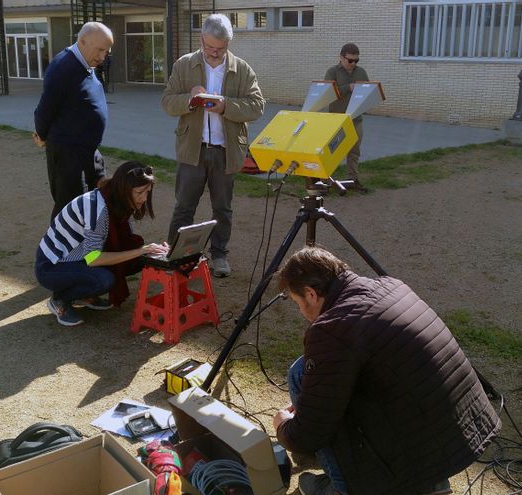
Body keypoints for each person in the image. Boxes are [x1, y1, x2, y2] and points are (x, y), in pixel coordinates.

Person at [273, 247, 501, 495]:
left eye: (298, 303)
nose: (301, 312)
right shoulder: (392, 286)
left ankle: (342, 488)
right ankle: (432, 483)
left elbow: (309, 434)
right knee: (304, 371)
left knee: (300, 376)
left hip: (418, 450)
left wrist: (284, 427)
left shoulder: (330, 329)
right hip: (459, 433)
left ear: (311, 294)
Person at [161, 13, 265, 278]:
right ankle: (176, 255)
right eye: (210, 48)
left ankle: (219, 255)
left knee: (222, 208)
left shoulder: (242, 68)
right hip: (191, 150)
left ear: (228, 44)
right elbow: (167, 102)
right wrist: (189, 98)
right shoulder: (184, 65)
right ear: (201, 40)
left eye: (221, 49)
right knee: (184, 206)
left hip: (225, 151)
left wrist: (226, 105)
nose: (215, 53)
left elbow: (257, 106)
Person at [35, 161, 168, 326]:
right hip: (51, 266)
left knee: (137, 259)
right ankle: (60, 299)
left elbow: (121, 244)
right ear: (123, 189)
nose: (144, 198)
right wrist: (141, 251)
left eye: (148, 192)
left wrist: (149, 251)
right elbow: (93, 259)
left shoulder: (114, 199)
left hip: (78, 257)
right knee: (104, 280)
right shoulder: (99, 209)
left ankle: (83, 293)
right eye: (140, 192)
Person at [34, 22, 114, 220]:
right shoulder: (63, 67)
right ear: (83, 41)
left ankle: (89, 245)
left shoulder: (84, 63)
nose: (103, 57)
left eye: (107, 52)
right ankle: (58, 248)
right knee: (69, 205)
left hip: (86, 148)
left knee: (94, 198)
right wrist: (42, 135)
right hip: (68, 151)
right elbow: (45, 109)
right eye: (100, 50)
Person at [324, 43, 370, 193]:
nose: (353, 64)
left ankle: (353, 180)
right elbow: (328, 94)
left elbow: (367, 91)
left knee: (354, 152)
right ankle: (324, 182)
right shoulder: (332, 72)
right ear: (341, 58)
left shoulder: (361, 72)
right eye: (350, 60)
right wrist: (348, 88)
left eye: (356, 61)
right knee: (332, 153)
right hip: (336, 120)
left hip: (356, 119)